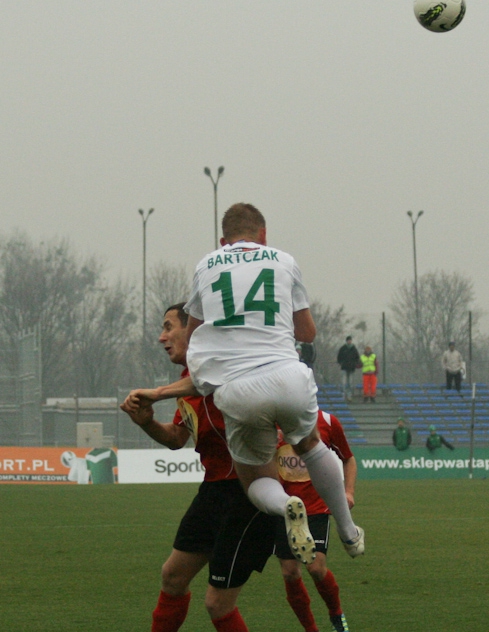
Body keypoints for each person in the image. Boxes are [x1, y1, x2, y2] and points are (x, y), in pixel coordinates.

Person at [125, 203, 364, 564]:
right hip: (288, 376)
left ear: (223, 241)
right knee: (312, 447)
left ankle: (287, 506)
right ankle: (348, 530)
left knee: (254, 481)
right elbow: (308, 333)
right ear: (263, 235)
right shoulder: (284, 260)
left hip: (239, 390)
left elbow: (194, 336)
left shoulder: (207, 265)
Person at [103, 304, 276, 632]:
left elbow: (207, 382)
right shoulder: (188, 383)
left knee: (218, 603)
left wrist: (157, 394)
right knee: (172, 576)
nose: (161, 336)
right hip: (214, 492)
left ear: (193, 329)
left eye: (168, 326)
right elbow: (179, 439)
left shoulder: (214, 367)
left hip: (249, 492)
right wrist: (147, 424)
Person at [275, 409, 356, 632]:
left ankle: (336, 614)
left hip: (317, 507)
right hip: (284, 507)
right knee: (290, 572)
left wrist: (348, 491)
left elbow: (348, 458)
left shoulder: (328, 422)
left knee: (316, 568)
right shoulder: (271, 423)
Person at [336, 336, 360, 401]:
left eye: (350, 340)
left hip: (351, 368)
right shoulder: (343, 348)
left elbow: (357, 358)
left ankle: (349, 395)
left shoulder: (354, 349)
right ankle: (343, 395)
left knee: (350, 383)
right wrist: (341, 363)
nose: (349, 341)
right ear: (346, 341)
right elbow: (339, 357)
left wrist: (355, 364)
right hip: (344, 368)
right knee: (343, 383)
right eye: (348, 340)